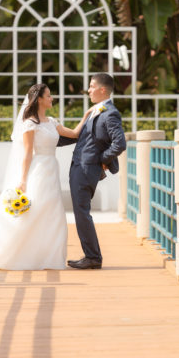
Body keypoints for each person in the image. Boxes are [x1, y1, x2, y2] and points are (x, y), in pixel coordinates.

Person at [0, 83, 93, 271]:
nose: (52, 98)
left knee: (53, 214)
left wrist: (88, 115)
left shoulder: (52, 122)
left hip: (52, 168)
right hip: (38, 170)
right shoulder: (29, 124)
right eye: (49, 95)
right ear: (40, 100)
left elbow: (75, 134)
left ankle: (50, 257)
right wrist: (22, 180)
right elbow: (28, 153)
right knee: (34, 212)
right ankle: (16, 253)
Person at [58, 73, 126, 270]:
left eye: (91, 86)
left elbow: (119, 143)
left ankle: (93, 257)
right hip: (80, 167)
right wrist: (48, 139)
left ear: (102, 90)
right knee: (81, 211)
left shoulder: (110, 113)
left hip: (87, 168)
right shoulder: (96, 111)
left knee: (81, 212)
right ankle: (92, 255)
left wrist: (102, 160)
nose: (88, 90)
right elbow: (82, 137)